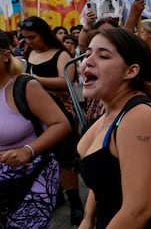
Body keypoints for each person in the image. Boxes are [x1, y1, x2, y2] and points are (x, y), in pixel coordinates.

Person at [77, 28, 151, 228]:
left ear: (131, 71)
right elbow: (103, 174)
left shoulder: (139, 118)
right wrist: (88, 218)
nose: (88, 61)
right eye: (88, 53)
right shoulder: (111, 113)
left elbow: (137, 211)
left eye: (103, 56)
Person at [0, 30, 71, 228]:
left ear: (6, 56)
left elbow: (61, 124)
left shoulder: (24, 86)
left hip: (33, 173)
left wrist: (27, 150)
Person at [19, 16, 84, 225]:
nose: (29, 41)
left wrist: (34, 81)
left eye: (33, 37)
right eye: (26, 38)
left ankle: (75, 203)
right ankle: (53, 196)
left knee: (65, 159)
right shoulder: (29, 54)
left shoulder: (61, 54)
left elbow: (66, 81)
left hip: (60, 111)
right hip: (34, 114)